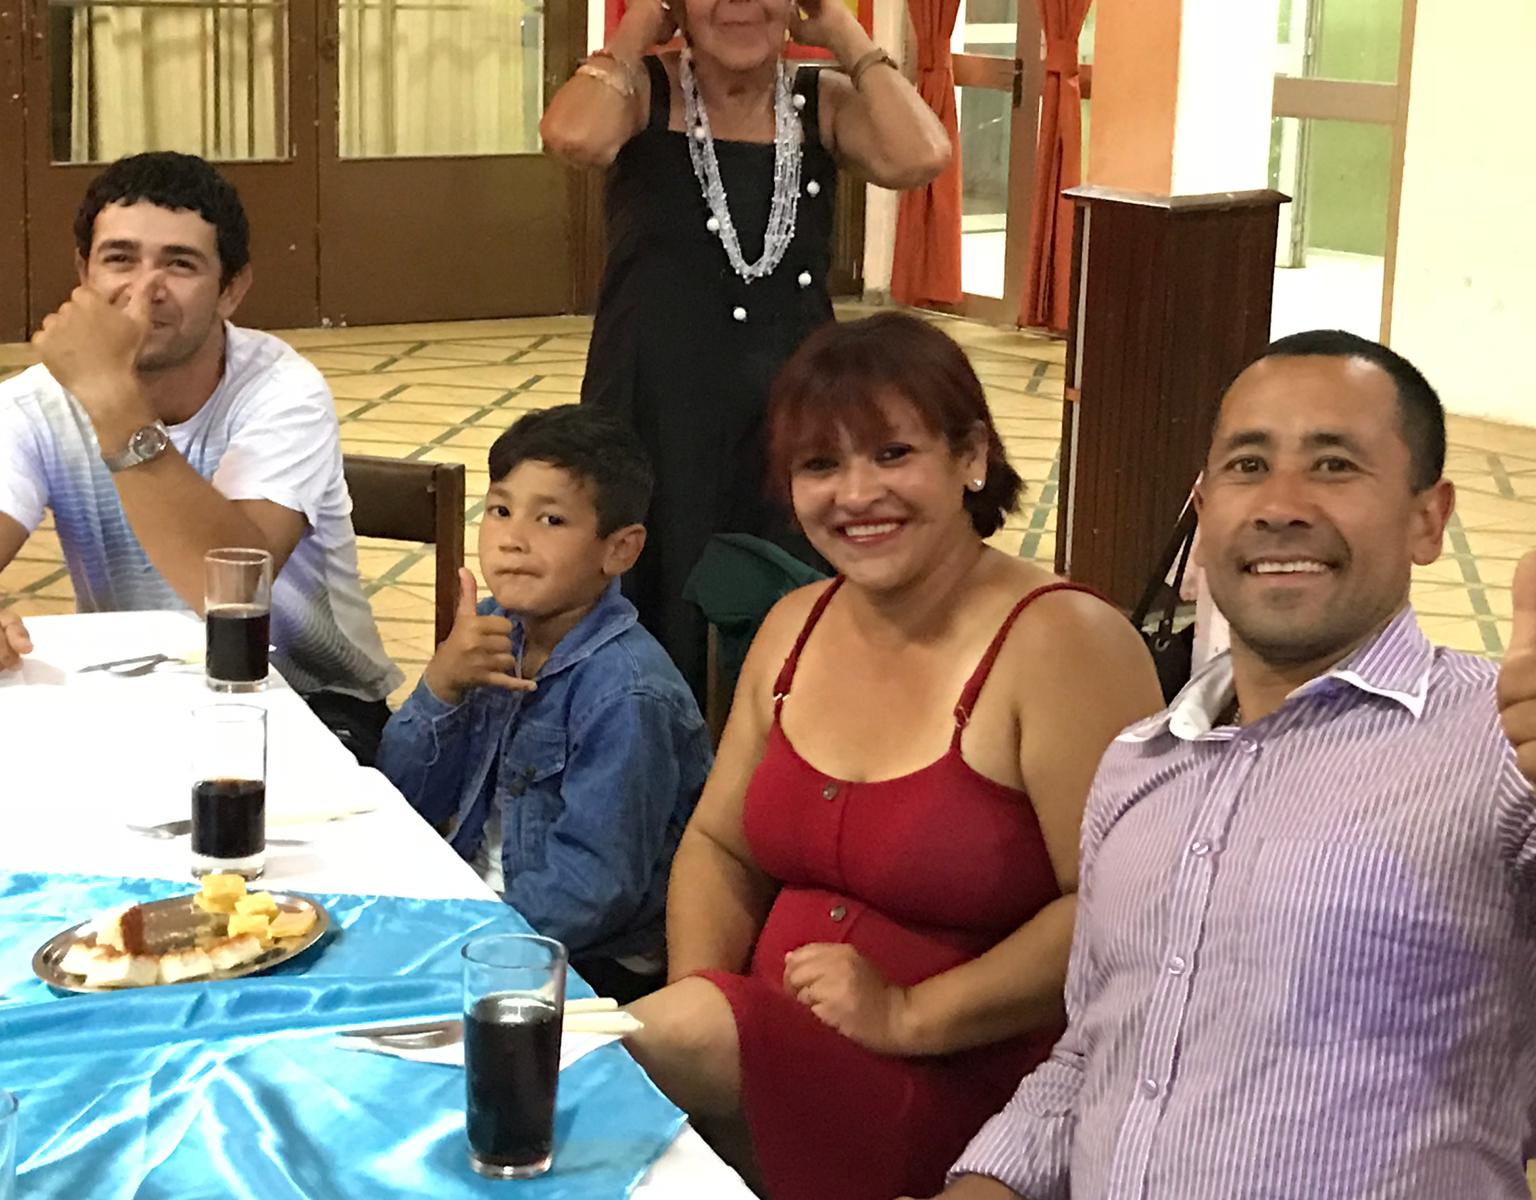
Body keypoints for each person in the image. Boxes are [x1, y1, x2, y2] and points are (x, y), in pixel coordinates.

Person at [919, 330, 1536, 1200]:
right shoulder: (1139, 766)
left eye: (1334, 465)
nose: (1280, 505)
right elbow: (1097, 1050)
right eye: (1248, 466)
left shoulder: (1511, 744)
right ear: (1204, 516)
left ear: (1428, 520)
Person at [621, 313, 1164, 1200]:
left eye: (892, 454)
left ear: (971, 457)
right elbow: (719, 845)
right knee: (615, 1078)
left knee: (571, 1075)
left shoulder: (1065, 641)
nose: (856, 494)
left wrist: (909, 1014)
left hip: (968, 1093)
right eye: (819, 465)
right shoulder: (794, 626)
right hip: (768, 1053)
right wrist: (711, 1020)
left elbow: (1120, 912)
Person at [540, 0, 950, 702]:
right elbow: (574, 136)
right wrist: (637, 28)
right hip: (654, 405)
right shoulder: (644, 92)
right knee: (653, 585)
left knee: (784, 596)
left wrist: (844, 32)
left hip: (793, 416)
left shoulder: (821, 101)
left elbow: (921, 156)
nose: (739, 6)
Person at [0, 152, 399, 760]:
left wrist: (112, 398)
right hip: (128, 694)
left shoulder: (283, 391)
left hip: (308, 700)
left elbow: (231, 595)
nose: (144, 290)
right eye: (119, 259)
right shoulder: (31, 404)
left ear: (231, 290)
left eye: (180, 264)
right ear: (83, 274)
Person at [376, 405, 712, 1002]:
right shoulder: (490, 632)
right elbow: (405, 801)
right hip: (483, 907)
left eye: (551, 519)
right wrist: (441, 684)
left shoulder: (627, 693)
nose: (513, 539)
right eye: (500, 510)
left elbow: (592, 890)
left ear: (620, 549)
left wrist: (462, 939)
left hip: (583, 963)